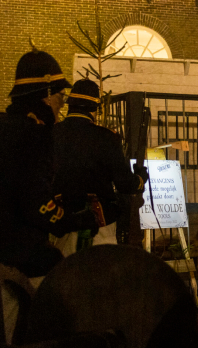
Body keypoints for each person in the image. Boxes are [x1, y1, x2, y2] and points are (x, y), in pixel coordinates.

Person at [0, 49, 98, 281]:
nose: (61, 106)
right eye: (60, 97)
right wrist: (74, 221)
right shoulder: (35, 135)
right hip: (21, 257)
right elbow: (35, 202)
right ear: (46, 95)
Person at [52, 79, 149, 256]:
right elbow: (124, 184)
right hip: (99, 224)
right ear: (95, 107)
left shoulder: (51, 134)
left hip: (60, 221)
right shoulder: (106, 138)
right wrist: (140, 179)